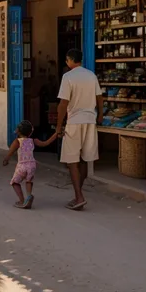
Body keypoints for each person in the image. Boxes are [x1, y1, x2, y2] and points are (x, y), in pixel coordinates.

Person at [56, 48, 103, 210]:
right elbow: (99, 98)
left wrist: (58, 125)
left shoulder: (68, 77)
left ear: (69, 60)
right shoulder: (91, 76)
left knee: (72, 161)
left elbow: (63, 104)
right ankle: (79, 193)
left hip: (75, 121)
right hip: (90, 120)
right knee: (84, 159)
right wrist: (100, 116)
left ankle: (79, 196)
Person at [3, 120, 57, 209]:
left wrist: (6, 160)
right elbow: (45, 143)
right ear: (31, 132)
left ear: (18, 131)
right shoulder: (33, 140)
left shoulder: (17, 141)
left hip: (22, 165)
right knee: (29, 181)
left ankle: (22, 201)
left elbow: (10, 152)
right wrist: (55, 134)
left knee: (15, 182)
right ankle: (29, 196)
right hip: (32, 165)